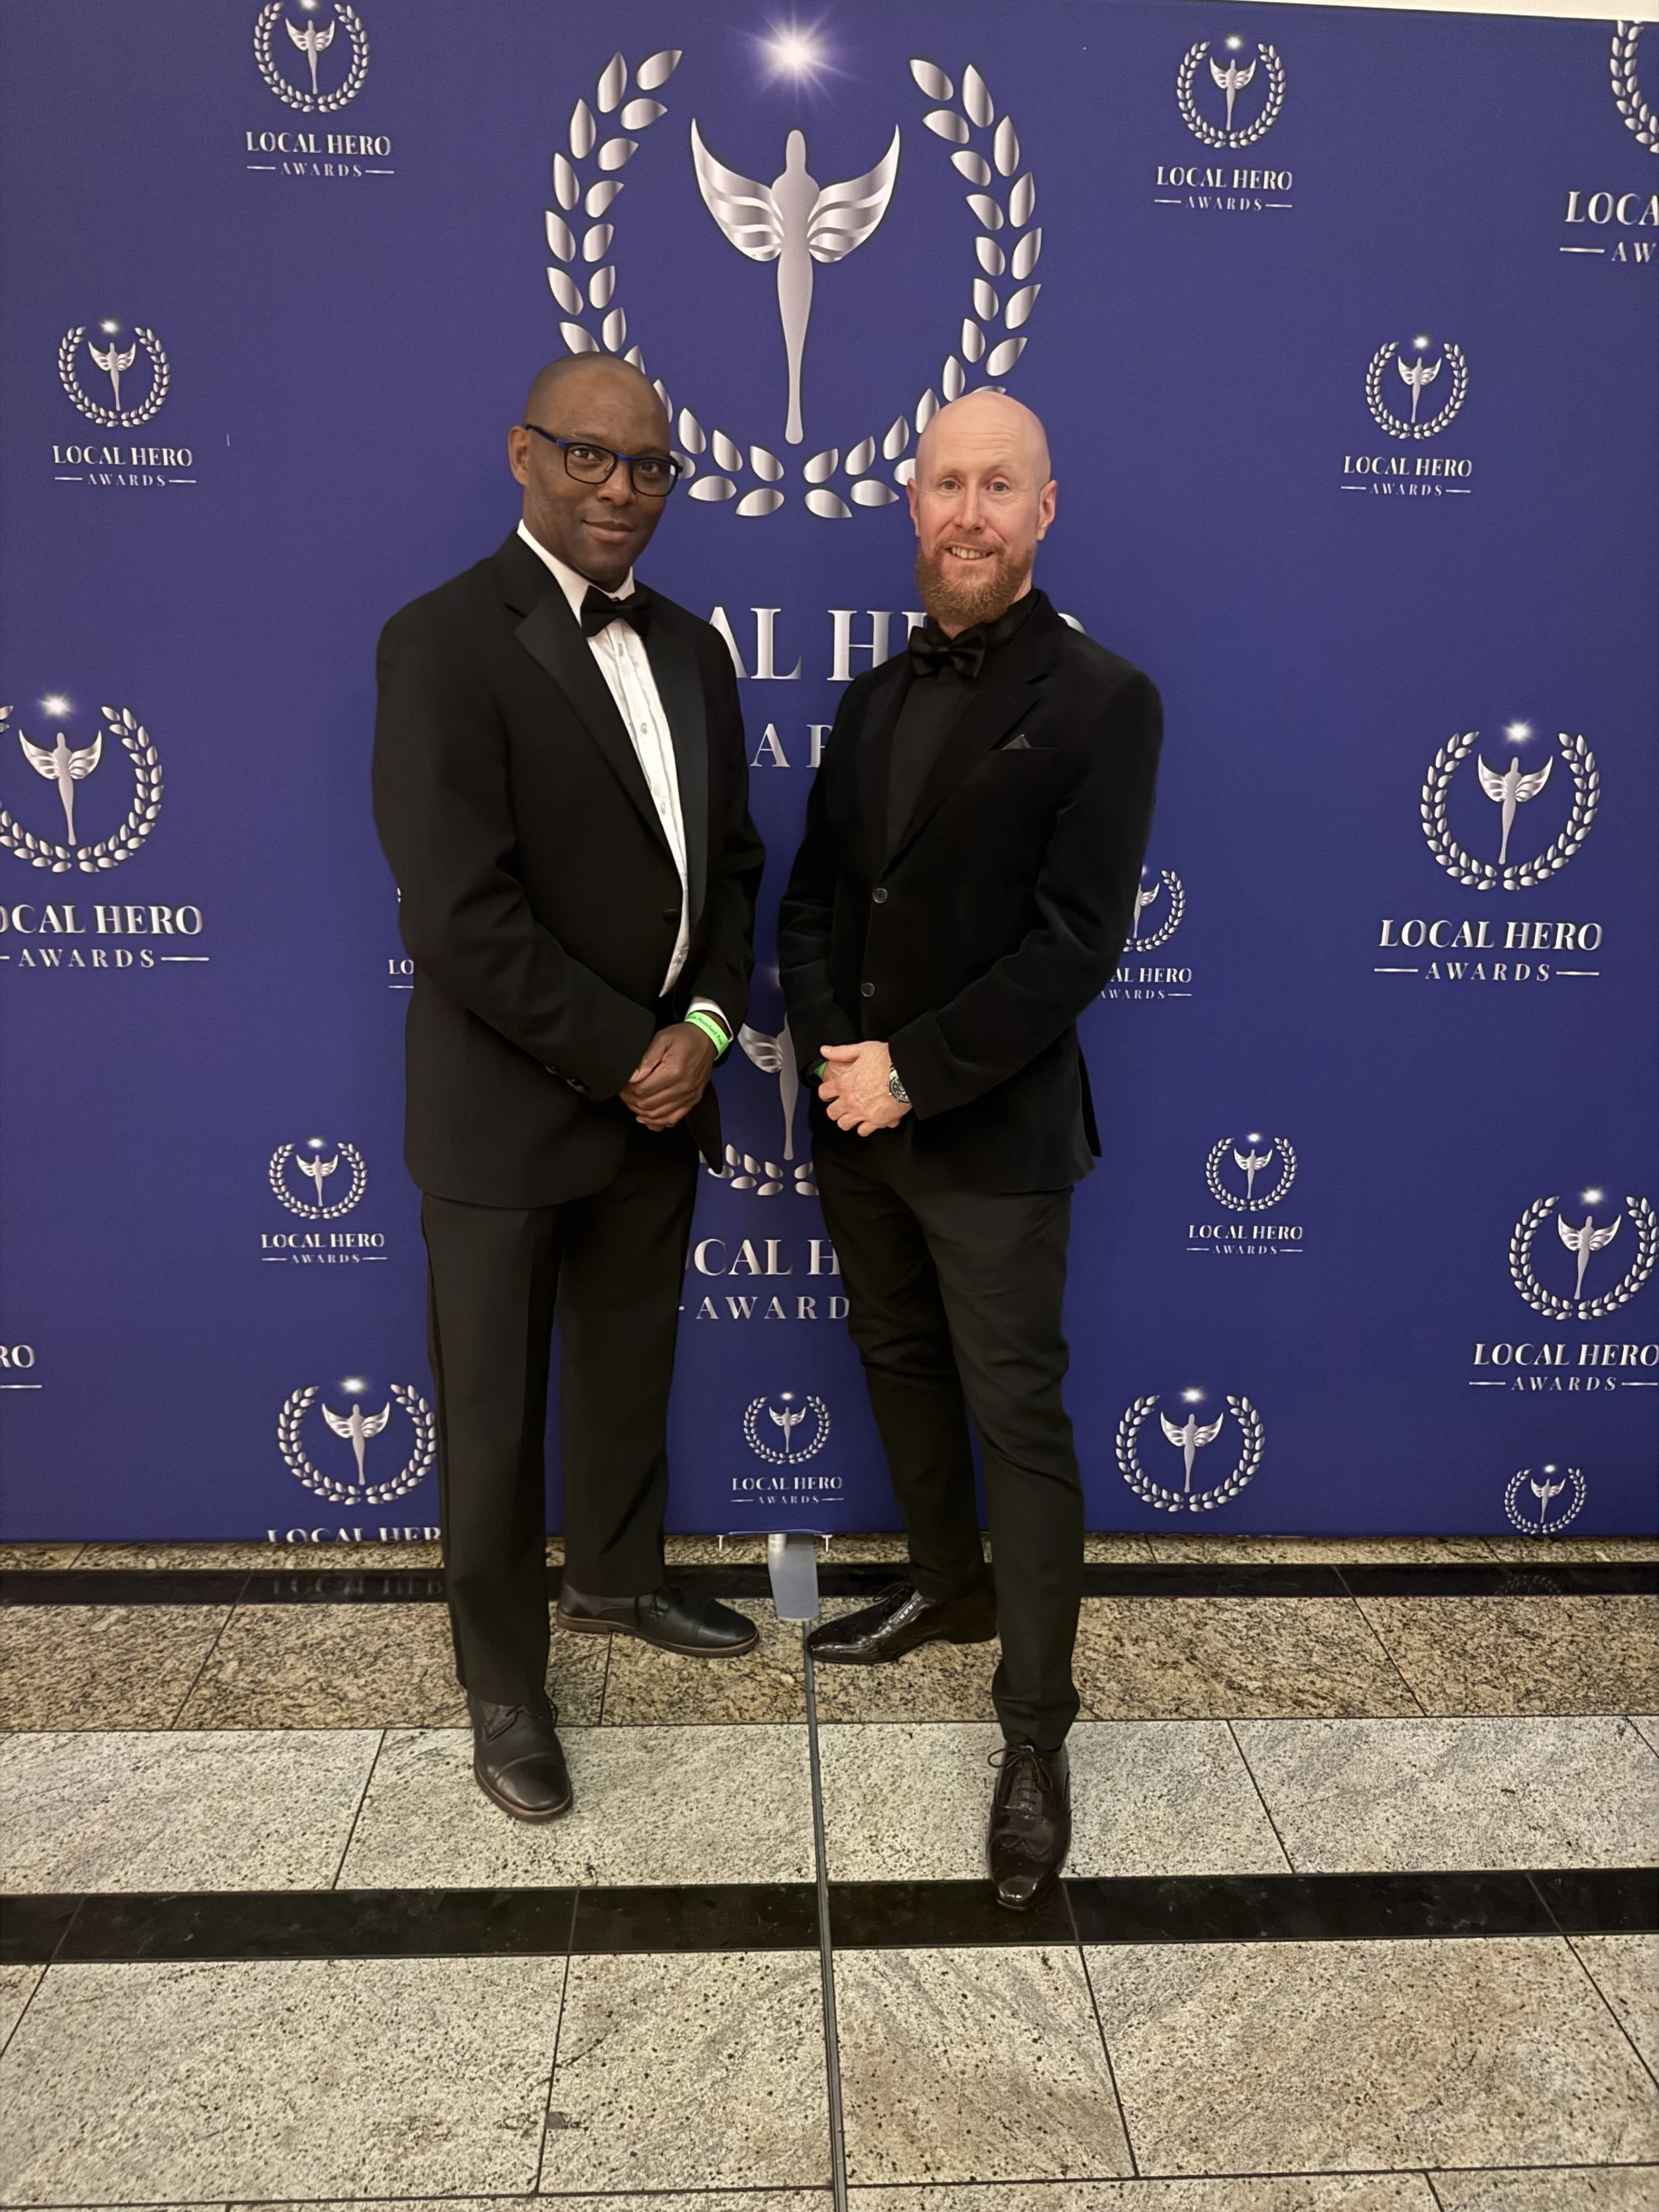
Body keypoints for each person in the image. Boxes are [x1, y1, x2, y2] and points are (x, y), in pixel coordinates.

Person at [778, 390, 1162, 1907]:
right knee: (896, 1357)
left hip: (989, 1132)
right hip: (852, 1119)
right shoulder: (872, 700)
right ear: (912, 502)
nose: (967, 511)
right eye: (945, 484)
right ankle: (944, 1583)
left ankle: (1036, 1731)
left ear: (1045, 508)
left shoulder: (1101, 698)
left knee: (1020, 1419)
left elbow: (1073, 947)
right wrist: (836, 1062)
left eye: (996, 486)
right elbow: (813, 901)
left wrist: (912, 1074)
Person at [373, 356, 765, 1821]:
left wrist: (710, 1028)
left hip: (663, 1102)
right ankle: (503, 1684)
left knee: (624, 1368)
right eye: (590, 458)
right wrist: (624, 1051)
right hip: (506, 1110)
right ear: (524, 456)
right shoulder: (438, 643)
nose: (622, 490)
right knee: (491, 1415)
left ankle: (613, 1579)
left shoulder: (694, 649)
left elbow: (729, 870)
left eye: (649, 467)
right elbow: (459, 915)